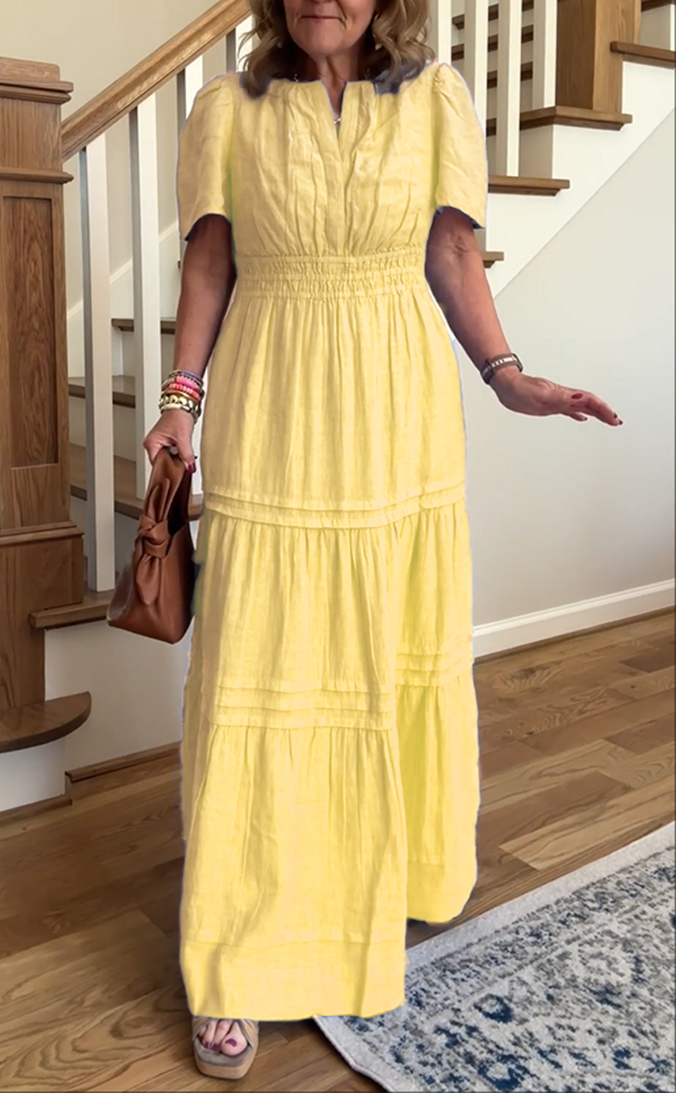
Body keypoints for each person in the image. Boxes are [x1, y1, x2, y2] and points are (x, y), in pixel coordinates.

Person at [143, 0, 623, 1080]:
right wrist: (180, 401)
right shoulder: (226, 109)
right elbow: (210, 267)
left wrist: (506, 375)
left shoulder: (438, 98)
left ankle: (383, 879)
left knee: (390, 653)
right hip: (273, 395)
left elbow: (452, 252)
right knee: (260, 669)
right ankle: (237, 956)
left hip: (401, 405)